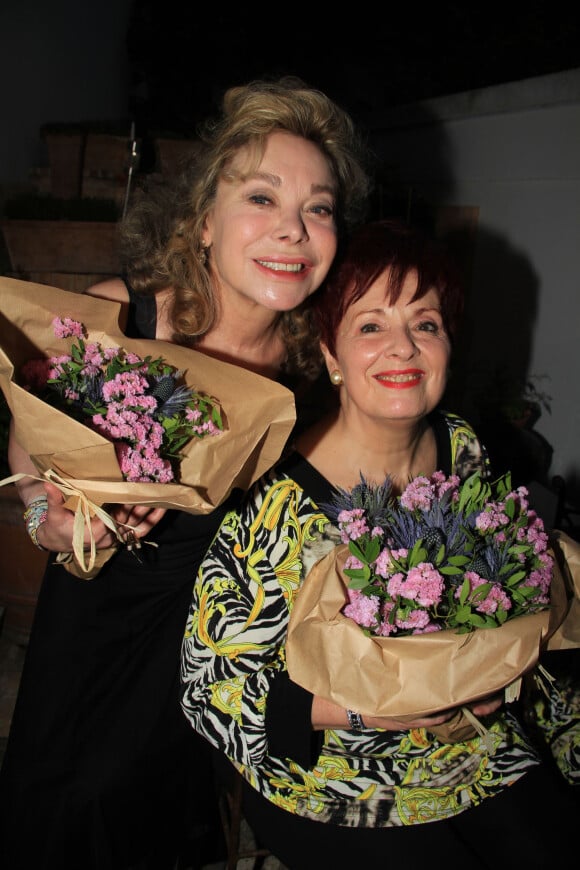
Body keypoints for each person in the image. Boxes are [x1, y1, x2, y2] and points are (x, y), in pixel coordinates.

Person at [0, 77, 371, 870]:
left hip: (210, 659)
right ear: (203, 221)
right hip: (95, 637)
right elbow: (31, 450)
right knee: (68, 813)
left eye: (319, 207)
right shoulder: (124, 321)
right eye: (262, 198)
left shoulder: (320, 376)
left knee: (170, 828)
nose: (294, 230)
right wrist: (46, 515)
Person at [180, 218, 578, 869]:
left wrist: (494, 677)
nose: (405, 348)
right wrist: (373, 714)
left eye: (426, 324)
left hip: (470, 743)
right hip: (333, 777)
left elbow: (490, 595)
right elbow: (210, 695)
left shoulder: (460, 445)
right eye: (371, 326)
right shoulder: (278, 498)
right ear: (331, 354)